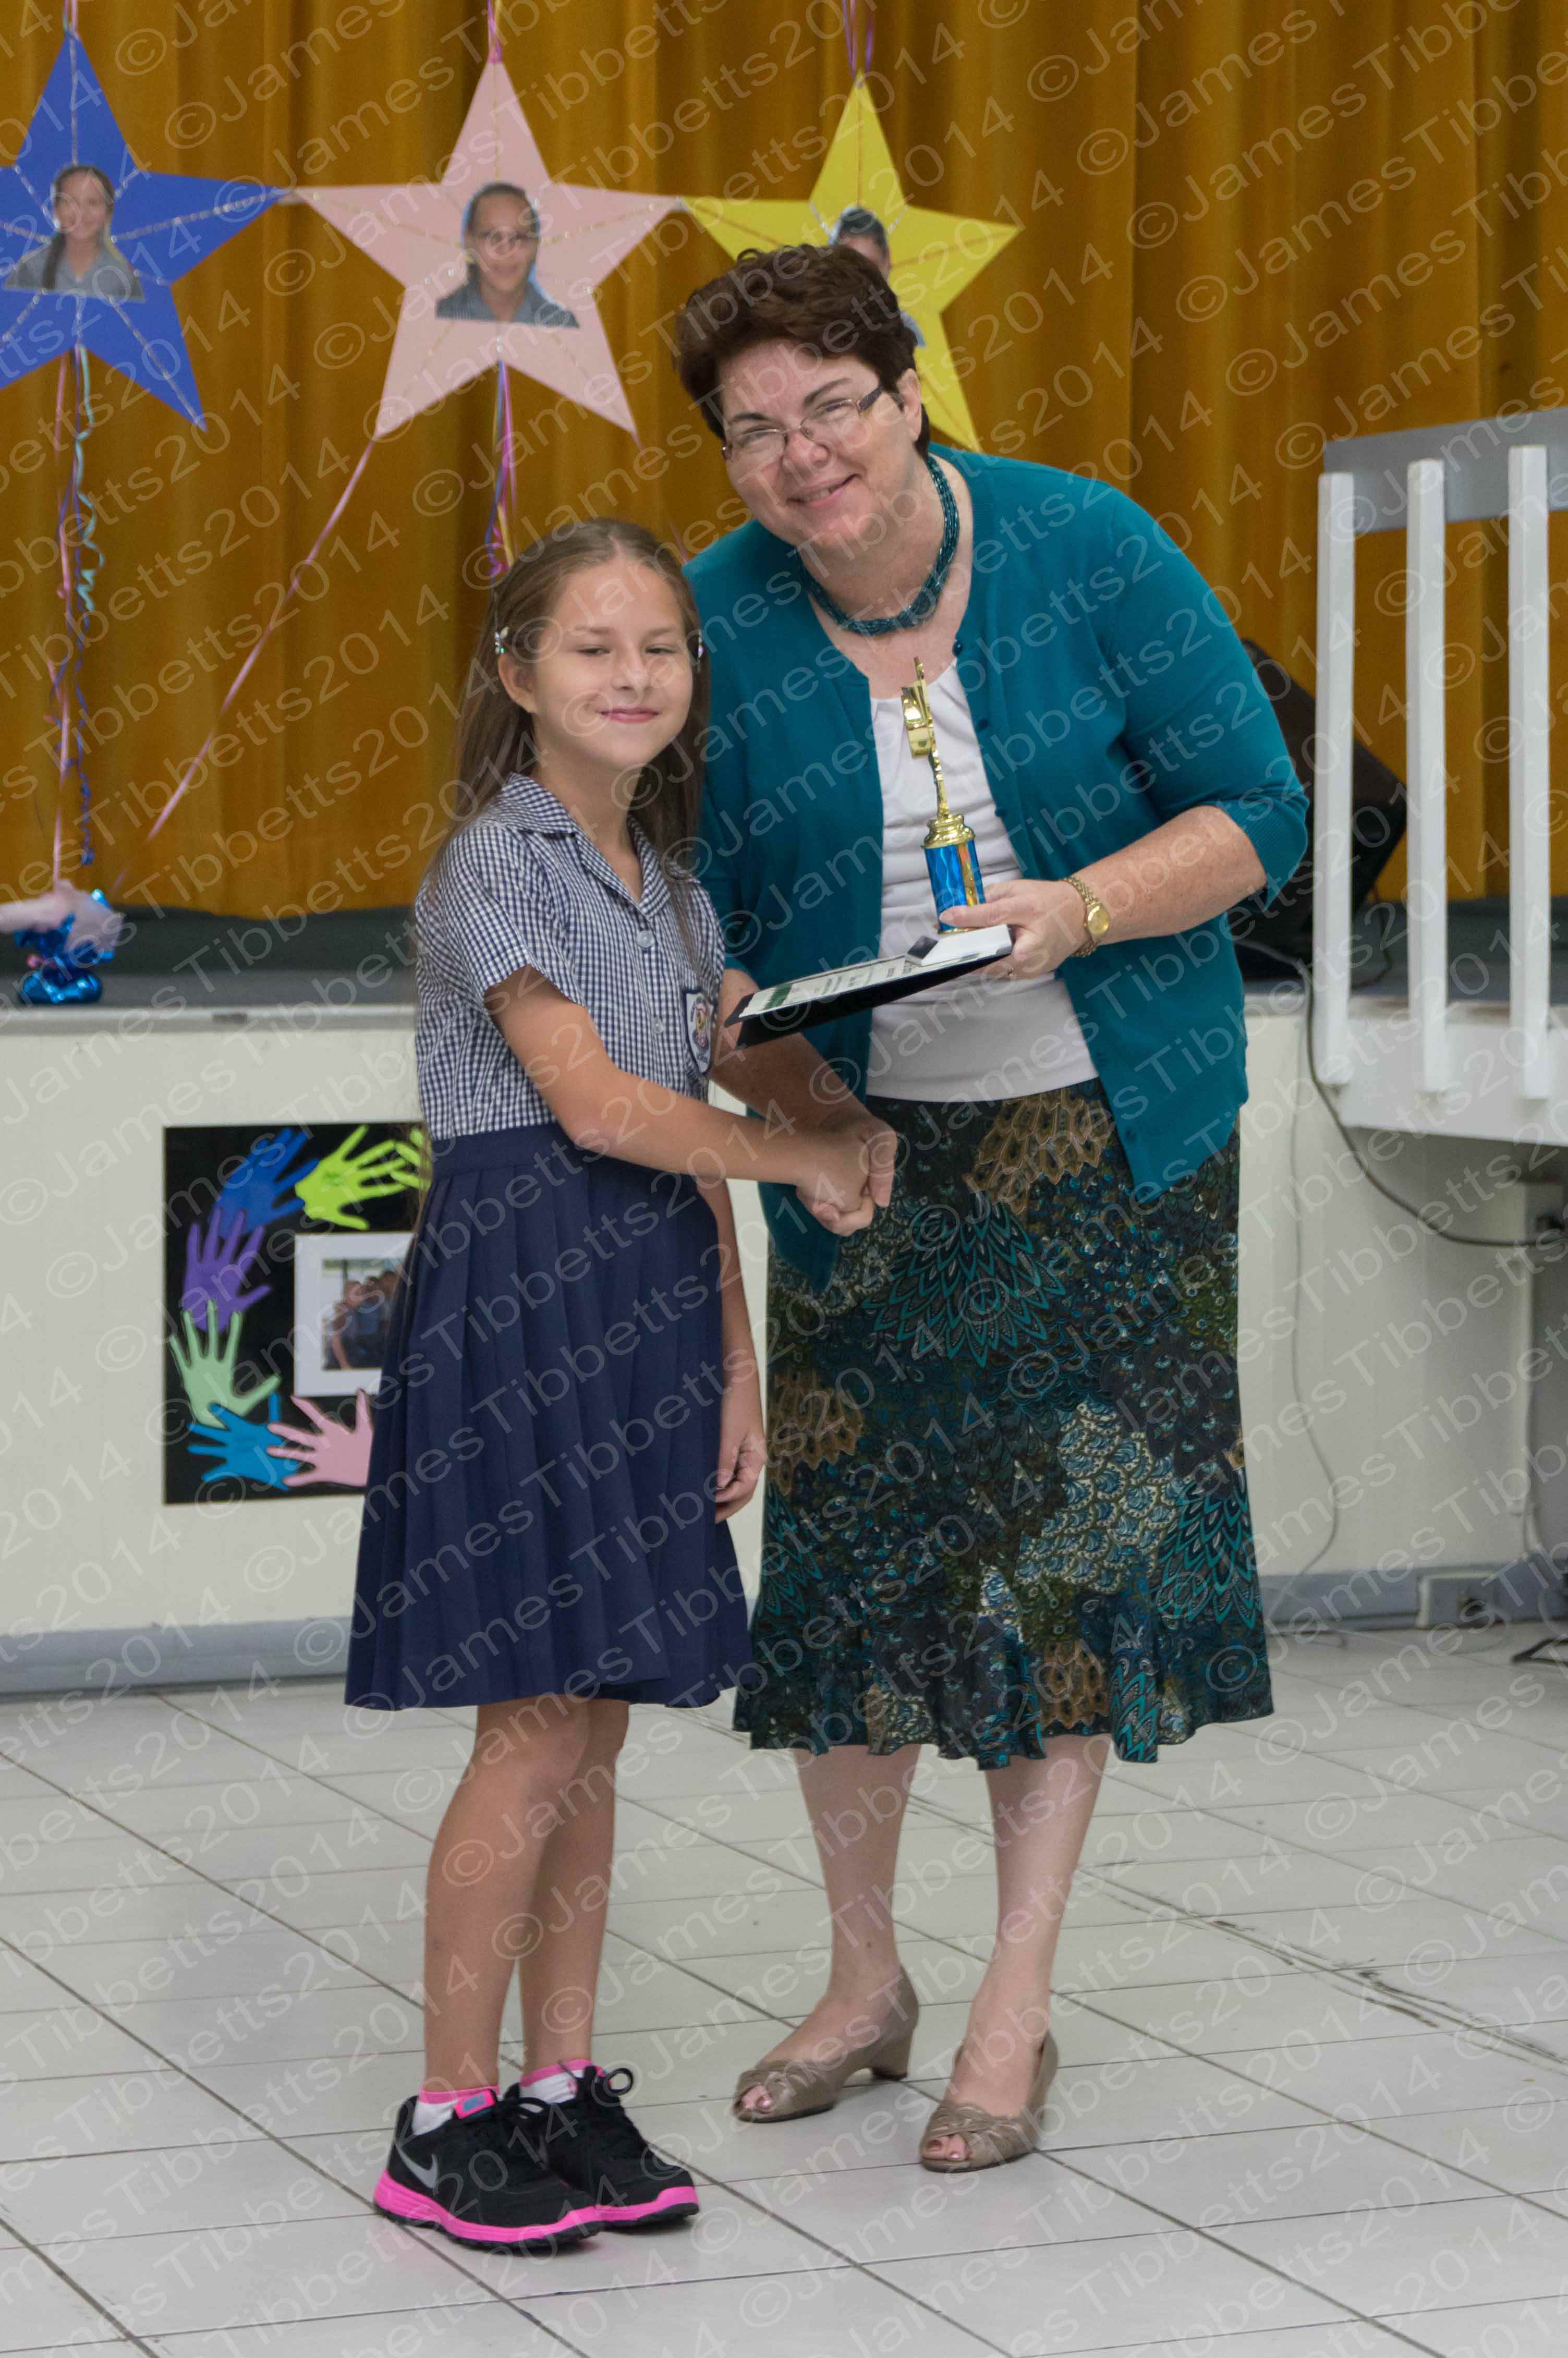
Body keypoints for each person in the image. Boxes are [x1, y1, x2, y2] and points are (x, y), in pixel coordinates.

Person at [672, 242, 1308, 2171]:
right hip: (858, 1146)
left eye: (831, 406)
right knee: (856, 1569)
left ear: (909, 394)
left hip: (1102, 1134)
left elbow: (1258, 812)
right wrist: (783, 1094)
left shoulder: (1085, 544)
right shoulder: (712, 616)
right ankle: (864, 1980)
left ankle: (1013, 2003)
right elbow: (691, 918)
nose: (800, 456)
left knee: (1063, 1578)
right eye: (753, 431)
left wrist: (1085, 906)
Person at [344, 517, 878, 2250]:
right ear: (516, 674)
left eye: (659, 645)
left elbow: (682, 1135)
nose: (631, 674)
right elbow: (592, 1106)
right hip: (521, 1291)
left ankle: (560, 2090)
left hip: (646, 1291)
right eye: (590, 646)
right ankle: (443, 2120)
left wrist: (730, 1356)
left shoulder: (671, 880)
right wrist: (804, 1153)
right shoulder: (488, 864)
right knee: (527, 1724)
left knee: (595, 1729)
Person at [435, 183, 578, 326]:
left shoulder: (561, 324)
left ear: (535, 245)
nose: (506, 251)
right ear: (469, 242)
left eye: (519, 237)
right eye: (492, 236)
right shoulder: (441, 315)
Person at [5, 163, 144, 299]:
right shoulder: (31, 269)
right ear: (56, 209)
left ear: (108, 212)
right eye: (70, 201)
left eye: (93, 202)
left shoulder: (124, 278)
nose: (81, 212)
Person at [829, 204, 923, 346]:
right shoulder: (811, 324)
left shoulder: (906, 332)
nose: (861, 279)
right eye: (849, 266)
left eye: (871, 268)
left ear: (888, 261)